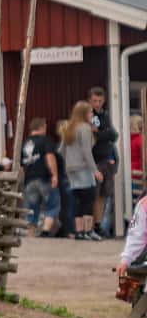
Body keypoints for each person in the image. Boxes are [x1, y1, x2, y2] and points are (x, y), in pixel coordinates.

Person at [59, 102, 99, 240]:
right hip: (83, 168)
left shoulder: (68, 127)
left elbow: (61, 150)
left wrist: (69, 162)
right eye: (90, 112)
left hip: (71, 169)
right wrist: (95, 170)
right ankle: (88, 231)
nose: (92, 115)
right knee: (88, 199)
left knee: (77, 200)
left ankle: (79, 232)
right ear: (84, 113)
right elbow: (87, 151)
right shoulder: (85, 128)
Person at [17, 116, 59, 234]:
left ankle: (31, 234)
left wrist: (22, 180)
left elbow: (20, 166)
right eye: (45, 126)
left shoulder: (25, 143)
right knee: (53, 205)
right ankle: (45, 231)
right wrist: (54, 175)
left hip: (29, 180)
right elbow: (50, 157)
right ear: (41, 127)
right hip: (44, 178)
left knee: (31, 208)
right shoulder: (45, 140)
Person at [89, 86, 119, 237]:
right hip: (94, 160)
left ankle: (98, 224)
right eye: (95, 101)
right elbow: (91, 136)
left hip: (106, 160)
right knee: (94, 194)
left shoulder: (105, 115)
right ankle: (91, 225)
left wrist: (101, 133)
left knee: (103, 195)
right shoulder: (89, 115)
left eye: (100, 101)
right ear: (90, 100)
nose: (97, 104)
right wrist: (103, 134)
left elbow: (114, 135)